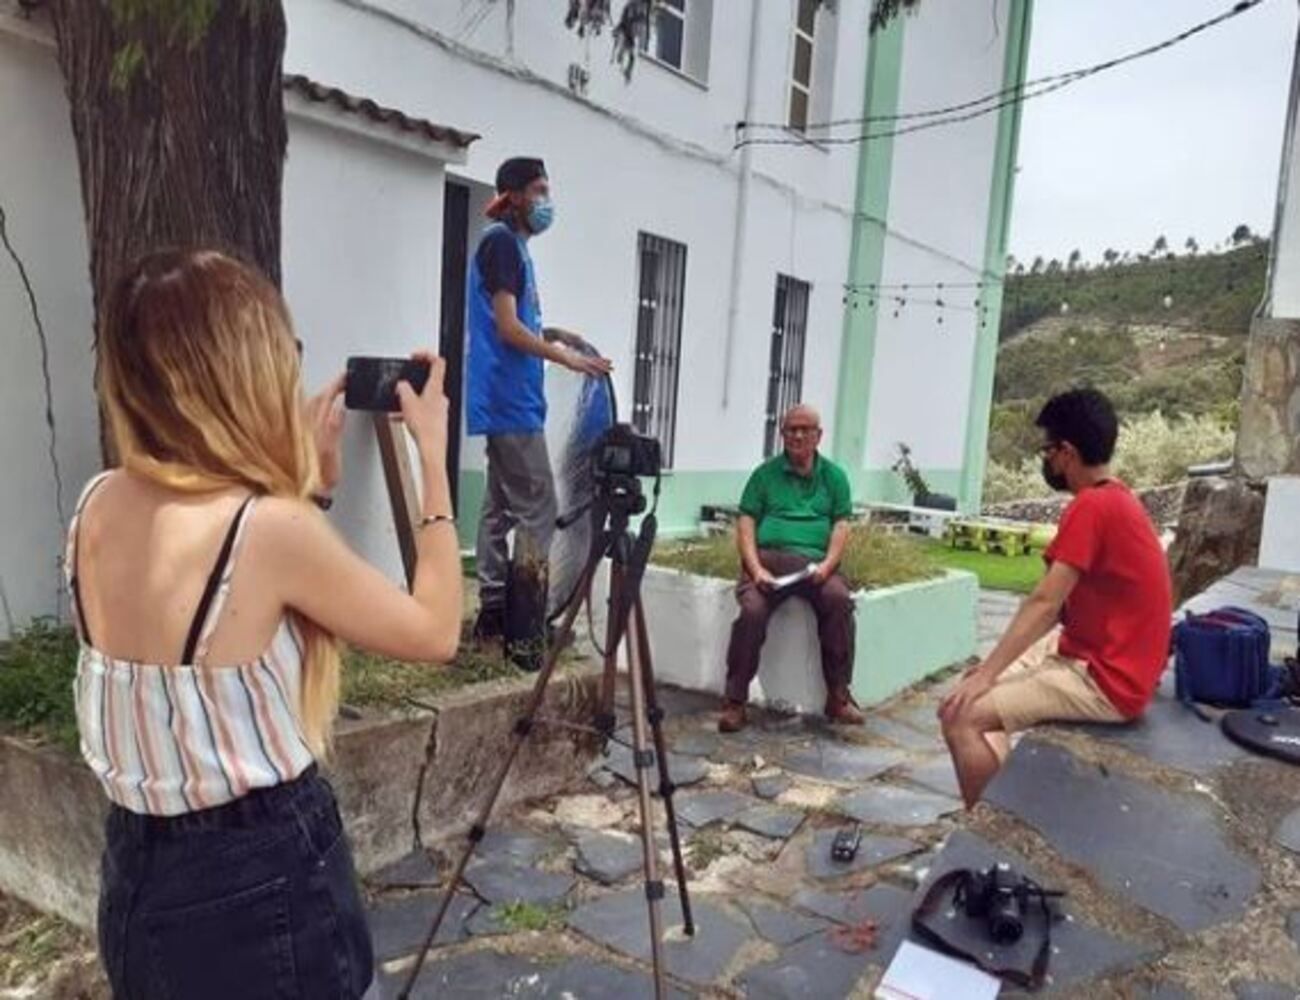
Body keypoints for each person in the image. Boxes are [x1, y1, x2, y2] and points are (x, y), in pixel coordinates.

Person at [70, 249, 462, 999]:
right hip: (260, 874)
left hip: (136, 871)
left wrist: (307, 493)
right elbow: (436, 629)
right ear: (243, 370)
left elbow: (226, 623)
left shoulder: (97, 506)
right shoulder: (267, 531)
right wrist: (433, 460)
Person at [938, 388, 1172, 808]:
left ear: (1066, 452)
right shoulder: (1116, 498)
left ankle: (989, 836)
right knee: (969, 689)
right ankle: (1000, 800)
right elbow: (1057, 609)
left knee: (959, 717)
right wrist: (988, 672)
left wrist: (989, 673)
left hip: (1107, 681)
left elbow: (1044, 603)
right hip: (1107, 659)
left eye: (1048, 451)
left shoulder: (1092, 507)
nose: (1046, 460)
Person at [466, 156, 611, 653]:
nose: (546, 201)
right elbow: (506, 329)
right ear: (514, 196)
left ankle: (492, 612)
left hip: (507, 397)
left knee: (499, 507)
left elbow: (505, 319)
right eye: (539, 191)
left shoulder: (510, 248)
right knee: (539, 508)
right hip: (510, 400)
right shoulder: (503, 244)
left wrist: (553, 332)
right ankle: (523, 622)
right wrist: (564, 357)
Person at [719, 404, 866, 732]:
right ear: (782, 434)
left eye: (805, 429)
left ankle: (838, 697)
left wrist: (828, 566)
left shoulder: (834, 477)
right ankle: (734, 702)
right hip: (768, 563)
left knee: (840, 601)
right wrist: (755, 570)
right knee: (751, 612)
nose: (797, 435)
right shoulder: (764, 475)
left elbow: (841, 526)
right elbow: (745, 523)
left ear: (819, 436)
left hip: (815, 567)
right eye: (790, 430)